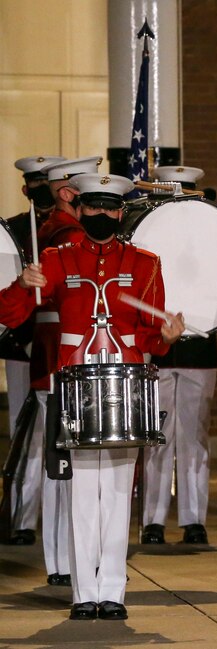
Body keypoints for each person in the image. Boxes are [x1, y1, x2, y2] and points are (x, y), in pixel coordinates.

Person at [0, 172, 185, 620]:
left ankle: (113, 591)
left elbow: (150, 337)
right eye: (94, 206)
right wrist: (25, 284)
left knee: (119, 492)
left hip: (125, 386)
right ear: (79, 209)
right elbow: (11, 313)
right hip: (77, 384)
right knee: (83, 492)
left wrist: (166, 336)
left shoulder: (145, 263)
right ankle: (84, 593)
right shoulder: (56, 258)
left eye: (111, 207)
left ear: (121, 212)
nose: (102, 214)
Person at [6, 157, 101, 585]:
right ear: (69, 194)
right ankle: (64, 560)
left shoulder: (55, 232)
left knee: (67, 464)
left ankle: (68, 558)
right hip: (62, 359)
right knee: (65, 466)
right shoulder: (66, 238)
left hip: (63, 358)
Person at [139, 166, 217, 545]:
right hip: (157, 347)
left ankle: (193, 518)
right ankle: (152, 519)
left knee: (194, 436)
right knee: (156, 436)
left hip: (199, 347)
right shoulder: (146, 235)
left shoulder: (212, 238)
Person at [2, 155, 62, 545]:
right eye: (34, 184)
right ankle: (22, 518)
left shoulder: (60, 229)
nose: (40, 190)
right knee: (23, 433)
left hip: (48, 341)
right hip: (18, 340)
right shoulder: (14, 229)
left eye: (47, 183)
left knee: (51, 431)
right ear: (26, 189)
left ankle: (47, 517)